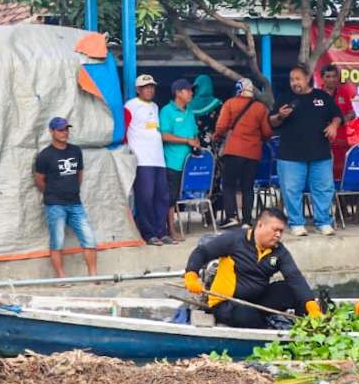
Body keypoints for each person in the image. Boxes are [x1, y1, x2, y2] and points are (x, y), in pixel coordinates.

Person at [182, 208, 322, 328]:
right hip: (226, 302)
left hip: (257, 300)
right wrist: (191, 275)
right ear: (260, 225)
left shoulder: (279, 252)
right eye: (275, 230)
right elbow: (202, 252)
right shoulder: (234, 240)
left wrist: (309, 303)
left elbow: (294, 277)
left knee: (291, 291)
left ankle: (305, 326)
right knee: (247, 317)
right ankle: (263, 326)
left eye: (281, 231)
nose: (278, 235)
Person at [268, 64, 340, 237]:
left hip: (320, 153)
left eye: (297, 79)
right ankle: (296, 223)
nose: (294, 83)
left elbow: (337, 115)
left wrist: (334, 125)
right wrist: (280, 116)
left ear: (307, 78)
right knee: (292, 190)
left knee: (323, 189)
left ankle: (323, 222)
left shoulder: (322, 97)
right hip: (290, 155)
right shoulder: (284, 97)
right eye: (292, 80)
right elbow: (272, 121)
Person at [34, 117, 98, 278]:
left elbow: (79, 174)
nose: (64, 133)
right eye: (60, 130)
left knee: (89, 238)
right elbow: (39, 180)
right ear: (51, 132)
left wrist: (73, 189)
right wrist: (52, 193)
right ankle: (61, 277)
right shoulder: (44, 155)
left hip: (75, 202)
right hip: (55, 204)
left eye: (66, 129)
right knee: (57, 241)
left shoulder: (75, 151)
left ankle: (93, 275)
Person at [214, 78, 272, 229]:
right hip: (253, 153)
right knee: (247, 187)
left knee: (228, 185)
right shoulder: (260, 108)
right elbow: (267, 132)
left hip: (233, 151)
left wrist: (218, 135)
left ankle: (231, 216)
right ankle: (247, 220)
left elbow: (221, 127)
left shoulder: (230, 104)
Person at [124, 74, 173, 246]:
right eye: (146, 87)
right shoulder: (130, 106)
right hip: (142, 159)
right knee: (145, 197)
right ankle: (148, 233)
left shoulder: (155, 106)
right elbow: (123, 129)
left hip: (158, 159)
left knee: (162, 197)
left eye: (152, 86)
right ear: (138, 90)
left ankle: (162, 232)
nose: (150, 90)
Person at [159, 78, 201, 242]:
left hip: (189, 162)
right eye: (188, 90)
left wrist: (195, 141)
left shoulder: (189, 111)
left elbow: (194, 133)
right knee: (171, 197)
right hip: (173, 162)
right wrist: (186, 141)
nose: (191, 93)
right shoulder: (167, 111)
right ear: (178, 92)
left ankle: (174, 227)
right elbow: (164, 135)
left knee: (180, 196)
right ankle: (171, 228)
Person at [321, 63, 357, 181]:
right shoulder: (316, 95)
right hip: (322, 143)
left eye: (334, 76)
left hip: (341, 142)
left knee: (341, 175)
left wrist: (343, 119)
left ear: (337, 78)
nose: (331, 79)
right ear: (322, 78)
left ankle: (340, 198)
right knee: (324, 176)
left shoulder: (343, 93)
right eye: (328, 76)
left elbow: (352, 113)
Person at [189, 74, 222, 150]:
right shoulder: (218, 104)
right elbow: (221, 126)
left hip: (192, 143)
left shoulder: (188, 105)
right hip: (211, 143)